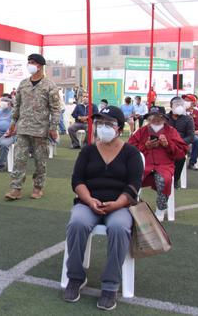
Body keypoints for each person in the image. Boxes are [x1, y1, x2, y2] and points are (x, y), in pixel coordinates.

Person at [63, 106, 143, 311]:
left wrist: (117, 203)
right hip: (88, 203)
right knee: (77, 223)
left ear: (119, 128)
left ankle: (110, 285)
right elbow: (77, 180)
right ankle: (75, 277)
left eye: (109, 123)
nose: (103, 127)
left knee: (119, 228)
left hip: (119, 205)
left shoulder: (131, 153)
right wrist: (89, 200)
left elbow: (134, 185)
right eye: (100, 123)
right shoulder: (88, 150)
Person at [4, 53, 61, 201]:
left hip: (40, 129)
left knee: (40, 160)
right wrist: (12, 123)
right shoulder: (23, 84)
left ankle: (38, 187)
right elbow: (16, 105)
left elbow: (55, 108)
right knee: (19, 159)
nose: (30, 65)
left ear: (40, 66)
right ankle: (16, 189)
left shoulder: (50, 85)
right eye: (28, 62)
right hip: (23, 128)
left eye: (33, 62)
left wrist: (53, 127)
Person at [129, 106, 188, 221]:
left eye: (159, 117)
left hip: (164, 165)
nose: (155, 119)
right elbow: (130, 149)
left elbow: (182, 152)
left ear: (164, 119)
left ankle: (160, 209)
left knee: (164, 179)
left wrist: (168, 144)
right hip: (144, 165)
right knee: (130, 178)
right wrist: (145, 146)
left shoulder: (171, 131)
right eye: (152, 117)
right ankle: (131, 205)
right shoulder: (141, 131)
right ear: (148, 119)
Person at [166, 97, 194, 189]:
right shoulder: (164, 118)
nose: (179, 106)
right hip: (165, 145)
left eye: (180, 105)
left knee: (180, 157)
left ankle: (175, 180)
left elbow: (191, 136)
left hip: (180, 146)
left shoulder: (188, 119)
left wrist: (180, 142)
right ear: (171, 106)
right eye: (176, 105)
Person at [182, 94, 198, 170]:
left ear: (193, 103)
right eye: (185, 100)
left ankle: (192, 162)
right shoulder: (179, 111)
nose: (185, 102)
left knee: (197, 141)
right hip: (180, 133)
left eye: (188, 100)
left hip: (192, 134)